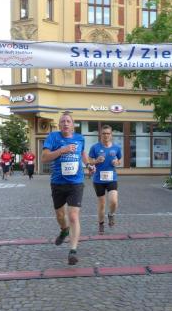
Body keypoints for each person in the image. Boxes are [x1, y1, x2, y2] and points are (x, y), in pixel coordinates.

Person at [41, 112, 91, 265]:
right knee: (60, 216)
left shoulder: (80, 138)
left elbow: (82, 153)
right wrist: (62, 150)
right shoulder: (53, 137)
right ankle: (64, 230)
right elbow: (44, 158)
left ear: (73, 124)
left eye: (68, 121)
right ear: (59, 125)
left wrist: (89, 165)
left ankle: (73, 251)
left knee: (73, 216)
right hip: (58, 182)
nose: (65, 124)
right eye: (62, 121)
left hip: (76, 182)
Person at [88, 125, 123, 234]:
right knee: (102, 204)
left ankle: (111, 214)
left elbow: (120, 160)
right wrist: (96, 161)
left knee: (113, 201)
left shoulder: (116, 148)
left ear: (111, 135)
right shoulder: (95, 147)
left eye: (108, 133)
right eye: (104, 133)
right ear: (100, 135)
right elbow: (89, 161)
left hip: (112, 178)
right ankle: (101, 223)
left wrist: (117, 162)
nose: (106, 135)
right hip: (98, 180)